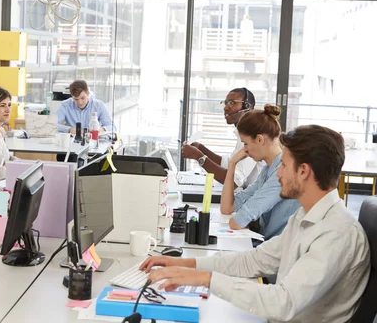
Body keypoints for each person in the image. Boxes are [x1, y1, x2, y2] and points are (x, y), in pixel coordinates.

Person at [141, 125, 370, 323]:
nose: (278, 173)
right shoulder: (305, 217)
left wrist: (205, 279)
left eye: (284, 165)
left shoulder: (337, 232)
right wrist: (186, 264)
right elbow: (256, 260)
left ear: (303, 171)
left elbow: (284, 302)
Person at [220, 104, 300, 240]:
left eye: (245, 143)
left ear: (259, 139)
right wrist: (232, 164)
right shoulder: (267, 170)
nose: (244, 150)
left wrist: (238, 218)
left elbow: (238, 221)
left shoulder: (282, 171)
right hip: (270, 245)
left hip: (280, 250)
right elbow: (227, 208)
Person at [182, 88, 262, 188]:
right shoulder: (243, 132)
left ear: (246, 107)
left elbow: (234, 182)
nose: (225, 108)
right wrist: (202, 149)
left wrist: (199, 157)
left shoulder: (252, 135)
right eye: (225, 103)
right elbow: (229, 163)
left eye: (231, 103)